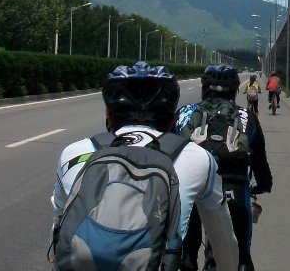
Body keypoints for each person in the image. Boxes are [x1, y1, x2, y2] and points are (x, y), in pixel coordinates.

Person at [50, 61, 239, 271]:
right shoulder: (197, 158)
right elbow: (223, 241)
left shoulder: (74, 152)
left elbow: (60, 225)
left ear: (109, 117)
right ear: (171, 121)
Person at [175, 65, 273, 271]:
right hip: (233, 188)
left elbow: (168, 150)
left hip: (189, 189)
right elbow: (260, 160)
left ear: (203, 89)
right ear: (235, 90)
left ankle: (188, 259)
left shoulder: (184, 113)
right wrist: (263, 184)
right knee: (241, 257)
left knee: (182, 255)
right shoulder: (247, 116)